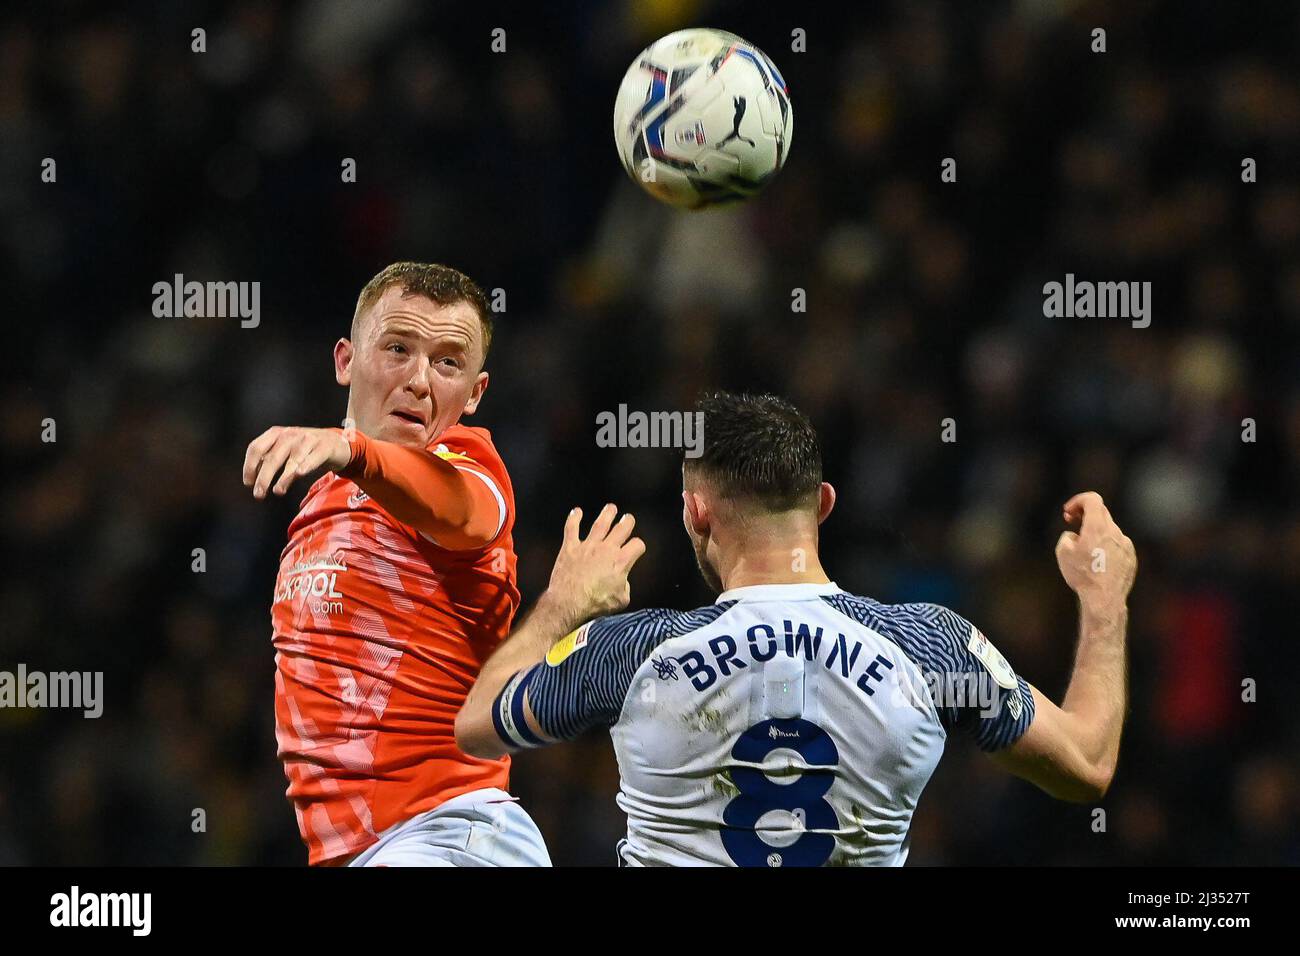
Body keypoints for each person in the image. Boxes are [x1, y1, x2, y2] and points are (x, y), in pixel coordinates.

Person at [456, 390, 1137, 866]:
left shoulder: (632, 651)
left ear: (696, 513)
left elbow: (477, 723)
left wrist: (563, 604)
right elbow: (1087, 766)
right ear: (825, 505)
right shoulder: (932, 646)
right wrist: (1105, 603)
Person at [243, 261, 549, 866]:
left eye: (448, 363)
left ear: (474, 394)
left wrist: (351, 447)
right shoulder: (321, 500)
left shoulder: (468, 466)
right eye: (398, 348)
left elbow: (457, 509)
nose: (418, 380)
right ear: (345, 360)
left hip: (450, 837)